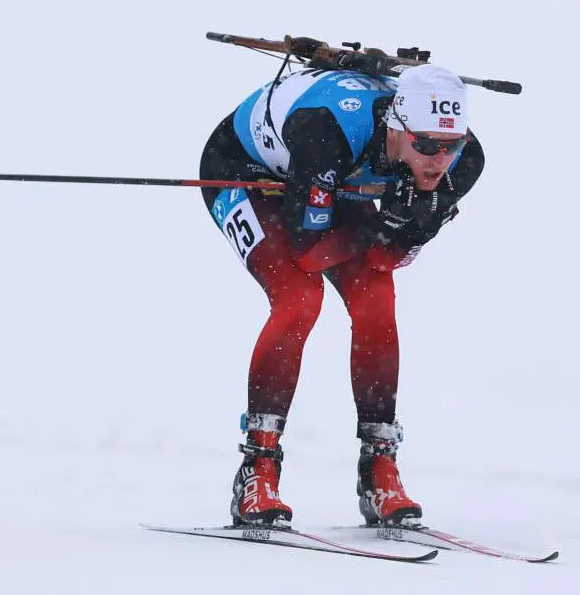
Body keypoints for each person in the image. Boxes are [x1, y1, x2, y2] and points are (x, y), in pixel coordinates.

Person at [198, 63, 485, 527]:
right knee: (300, 297)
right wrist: (388, 221)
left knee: (376, 301)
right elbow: (309, 250)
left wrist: (409, 225)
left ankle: (379, 469)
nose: (438, 161)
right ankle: (257, 469)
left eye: (450, 146)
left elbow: (386, 260)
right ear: (397, 127)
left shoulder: (465, 161)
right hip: (244, 168)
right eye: (427, 146)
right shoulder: (326, 133)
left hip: (332, 176)